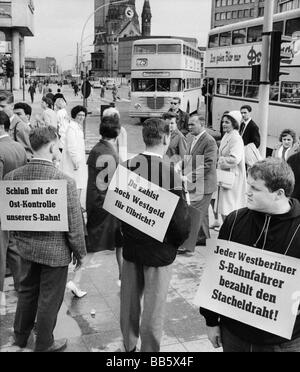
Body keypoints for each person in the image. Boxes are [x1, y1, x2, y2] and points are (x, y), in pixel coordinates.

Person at [200, 158, 300, 352]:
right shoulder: (235, 220)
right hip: (234, 334)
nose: (247, 192)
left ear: (279, 194)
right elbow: (215, 275)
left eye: (255, 188)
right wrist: (211, 321)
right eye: (248, 185)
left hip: (283, 341)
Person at [4, 126, 86, 352]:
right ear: (51, 148)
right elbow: (74, 226)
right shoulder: (65, 181)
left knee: (27, 292)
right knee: (50, 299)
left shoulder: (12, 178)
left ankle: (20, 338)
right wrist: (80, 253)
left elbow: (10, 216)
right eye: (58, 147)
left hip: (25, 250)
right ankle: (44, 344)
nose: (59, 151)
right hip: (55, 254)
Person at [120, 118, 191, 352]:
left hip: (130, 247)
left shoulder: (126, 167)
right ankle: (149, 352)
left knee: (129, 302)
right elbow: (180, 224)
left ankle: (128, 346)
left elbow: (118, 208)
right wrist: (176, 243)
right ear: (165, 138)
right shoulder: (170, 173)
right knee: (153, 307)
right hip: (160, 252)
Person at [84, 115, 123, 288]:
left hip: (97, 201)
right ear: (117, 132)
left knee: (99, 243)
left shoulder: (97, 149)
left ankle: (123, 277)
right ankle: (123, 277)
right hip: (109, 204)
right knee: (116, 243)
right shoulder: (110, 153)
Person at [0, 111, 27, 315]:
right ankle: (21, 285)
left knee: (1, 252)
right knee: (14, 247)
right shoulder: (18, 147)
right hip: (16, 205)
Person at [178, 114, 218, 253]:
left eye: (192, 125)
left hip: (205, 184)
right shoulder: (191, 138)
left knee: (194, 213)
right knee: (203, 213)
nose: (189, 127)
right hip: (197, 184)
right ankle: (204, 238)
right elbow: (190, 157)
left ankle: (187, 245)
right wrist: (180, 164)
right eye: (188, 125)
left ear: (202, 124)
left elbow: (208, 164)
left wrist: (188, 177)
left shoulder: (209, 141)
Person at [216, 111, 247, 221]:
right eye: (223, 122)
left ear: (234, 124)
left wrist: (219, 160)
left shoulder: (236, 138)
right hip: (226, 176)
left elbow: (235, 159)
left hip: (232, 178)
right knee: (225, 206)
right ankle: (226, 228)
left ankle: (230, 231)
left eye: (227, 122)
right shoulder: (227, 135)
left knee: (230, 207)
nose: (224, 124)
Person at [59, 105, 88, 201]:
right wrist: (76, 161)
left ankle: (77, 204)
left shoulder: (77, 127)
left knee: (79, 184)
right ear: (74, 115)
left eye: (83, 115)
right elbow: (72, 146)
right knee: (76, 184)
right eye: (79, 115)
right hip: (73, 163)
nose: (81, 117)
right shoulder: (72, 127)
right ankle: (76, 205)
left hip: (77, 161)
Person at [0, 91, 32, 160]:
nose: (0, 109)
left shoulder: (21, 127)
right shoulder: (2, 122)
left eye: (2, 106)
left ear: (12, 106)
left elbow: (30, 154)